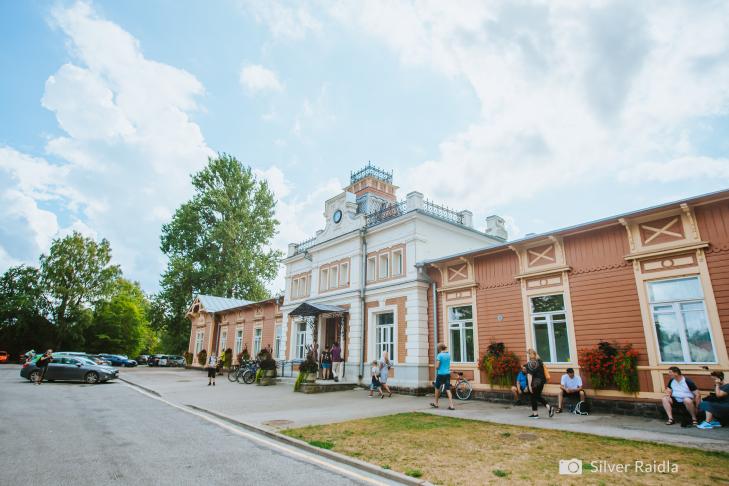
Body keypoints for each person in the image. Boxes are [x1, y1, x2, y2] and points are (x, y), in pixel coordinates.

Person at [526, 348, 554, 418]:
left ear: (531, 354)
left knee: (533, 396)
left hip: (535, 382)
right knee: (537, 396)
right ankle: (537, 412)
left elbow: (529, 375)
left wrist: (529, 385)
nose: (528, 355)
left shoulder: (530, 364)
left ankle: (538, 413)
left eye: (529, 354)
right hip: (542, 382)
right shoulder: (540, 361)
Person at [431, 343, 455, 410]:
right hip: (447, 374)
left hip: (441, 374)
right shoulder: (448, 355)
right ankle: (451, 405)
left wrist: (435, 365)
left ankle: (436, 403)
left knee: (437, 387)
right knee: (448, 389)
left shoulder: (439, 355)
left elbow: (437, 367)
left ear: (439, 348)